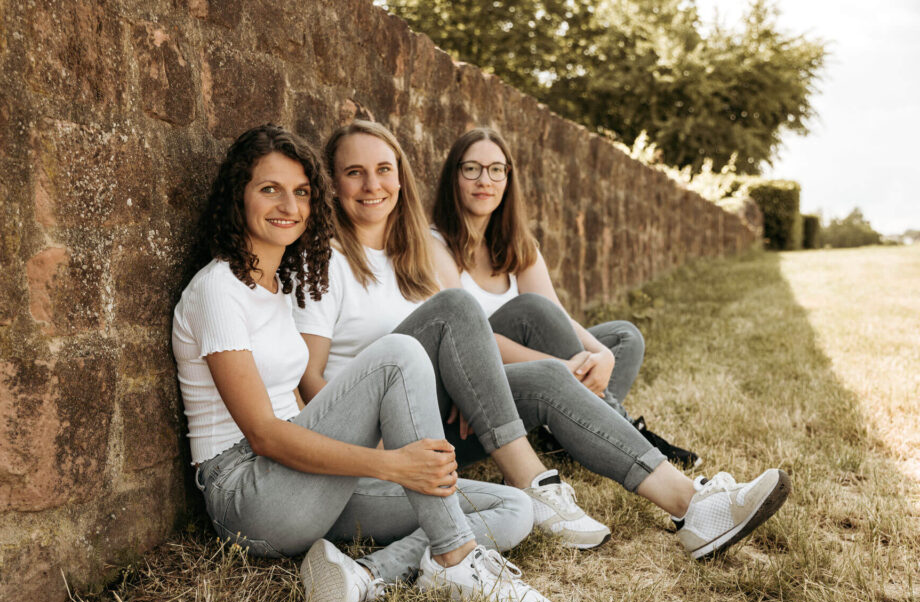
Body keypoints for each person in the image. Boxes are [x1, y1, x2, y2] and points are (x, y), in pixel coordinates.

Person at [298, 120, 791, 560]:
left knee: (550, 375)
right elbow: (309, 380)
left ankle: (693, 506)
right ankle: (533, 481)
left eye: (384, 170)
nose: (372, 185)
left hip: (439, 426)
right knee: (458, 307)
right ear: (333, 184)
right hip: (377, 442)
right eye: (354, 173)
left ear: (401, 178)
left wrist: (466, 389)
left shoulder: (412, 259)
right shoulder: (323, 261)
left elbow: (450, 349)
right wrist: (378, 444)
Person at [172, 124, 557, 602]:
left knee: (512, 509)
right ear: (237, 197)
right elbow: (263, 435)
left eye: (301, 192)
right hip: (248, 494)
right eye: (270, 189)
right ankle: (458, 559)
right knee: (398, 353)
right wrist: (391, 465)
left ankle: (365, 576)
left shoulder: (278, 286)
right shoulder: (217, 289)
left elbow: (296, 409)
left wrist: (379, 463)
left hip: (304, 482)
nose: (289, 205)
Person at [431, 127, 700, 469]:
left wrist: (602, 355)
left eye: (496, 170)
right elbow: (466, 339)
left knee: (623, 338)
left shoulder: (518, 245)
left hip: (534, 371)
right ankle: (629, 433)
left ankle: (564, 435)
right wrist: (559, 369)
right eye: (471, 169)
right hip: (482, 381)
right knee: (530, 310)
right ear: (453, 177)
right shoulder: (435, 244)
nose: (485, 180)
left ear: (508, 179)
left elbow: (557, 313)